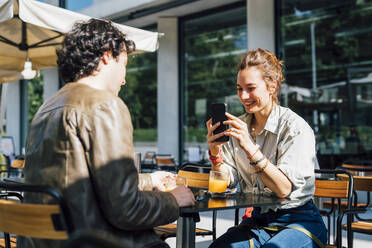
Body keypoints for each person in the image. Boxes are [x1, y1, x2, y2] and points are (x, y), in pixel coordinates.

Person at [19, 19, 195, 248]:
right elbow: (126, 209)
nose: (124, 78)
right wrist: (173, 200)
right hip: (93, 241)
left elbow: (81, 186)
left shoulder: (44, 110)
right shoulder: (104, 105)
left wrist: (149, 180)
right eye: (123, 64)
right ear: (106, 56)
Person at [206, 49, 327, 248]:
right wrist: (215, 152)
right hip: (258, 221)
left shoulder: (294, 127)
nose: (243, 96)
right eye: (239, 88)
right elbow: (225, 185)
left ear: (272, 86)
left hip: (299, 221)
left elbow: (284, 189)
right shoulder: (238, 127)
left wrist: (250, 148)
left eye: (251, 88)